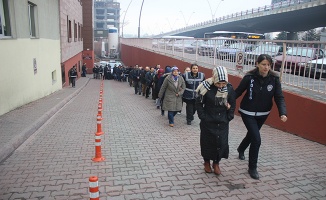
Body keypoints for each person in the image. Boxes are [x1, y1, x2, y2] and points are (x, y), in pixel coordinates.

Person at [235, 54, 287, 180]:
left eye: (268, 65)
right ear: (257, 64)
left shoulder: (274, 79)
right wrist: (227, 101)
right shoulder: (249, 77)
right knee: (256, 139)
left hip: (263, 114)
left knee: (252, 134)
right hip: (247, 112)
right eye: (263, 64)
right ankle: (252, 167)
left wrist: (283, 112)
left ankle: (241, 148)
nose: (266, 67)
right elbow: (238, 91)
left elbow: (279, 97)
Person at [195, 66, 236, 175]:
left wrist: (229, 117)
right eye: (218, 83)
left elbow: (233, 104)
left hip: (222, 121)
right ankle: (206, 162)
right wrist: (203, 116)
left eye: (223, 84)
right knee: (207, 142)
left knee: (221, 143)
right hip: (208, 120)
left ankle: (216, 163)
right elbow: (198, 102)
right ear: (214, 79)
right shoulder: (205, 87)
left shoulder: (230, 88)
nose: (221, 86)